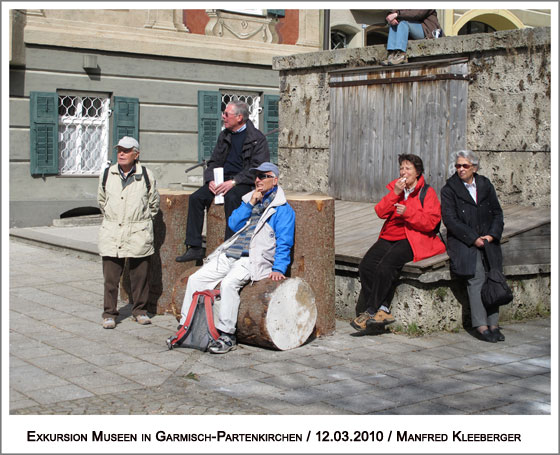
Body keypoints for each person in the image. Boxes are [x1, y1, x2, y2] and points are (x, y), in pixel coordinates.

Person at [177, 162, 295, 354]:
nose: (258, 180)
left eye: (263, 176)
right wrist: (250, 204)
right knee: (195, 279)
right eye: (256, 176)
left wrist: (279, 268)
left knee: (229, 284)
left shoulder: (282, 209)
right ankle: (185, 326)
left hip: (253, 258)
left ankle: (227, 334)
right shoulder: (249, 199)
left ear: (275, 179)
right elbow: (233, 223)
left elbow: (284, 242)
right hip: (231, 253)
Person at [351, 154, 446, 331]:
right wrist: (394, 193)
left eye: (408, 168)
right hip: (389, 236)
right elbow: (380, 212)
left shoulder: (427, 192)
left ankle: (371, 310)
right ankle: (383, 309)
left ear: (417, 172)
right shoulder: (397, 189)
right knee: (366, 266)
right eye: (401, 168)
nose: (403, 172)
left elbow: (431, 222)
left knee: (386, 266)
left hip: (413, 238)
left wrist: (408, 212)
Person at [176, 100, 270, 262]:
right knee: (196, 198)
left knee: (233, 198)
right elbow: (214, 162)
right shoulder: (224, 135)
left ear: (239, 117)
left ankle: (230, 247)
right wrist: (210, 180)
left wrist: (234, 182)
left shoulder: (257, 138)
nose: (223, 117)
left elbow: (257, 168)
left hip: (244, 182)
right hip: (222, 180)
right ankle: (195, 247)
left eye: (226, 114)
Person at [441, 150, 505, 343]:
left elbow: (497, 213)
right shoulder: (449, 189)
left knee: (493, 277)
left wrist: (492, 235)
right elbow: (450, 220)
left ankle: (494, 323)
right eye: (458, 166)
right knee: (476, 277)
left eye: (465, 166)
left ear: (474, 168)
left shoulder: (485, 184)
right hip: (464, 242)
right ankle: (481, 325)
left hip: (488, 239)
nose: (460, 169)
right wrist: (473, 238)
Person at [97, 136, 160, 329]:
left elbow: (154, 204)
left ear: (136, 154)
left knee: (140, 276)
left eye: (126, 150)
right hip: (112, 230)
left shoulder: (147, 175)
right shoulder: (108, 173)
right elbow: (101, 200)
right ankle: (109, 313)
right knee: (111, 278)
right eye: (119, 150)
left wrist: (140, 221)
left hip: (138, 231)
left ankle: (139, 311)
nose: (121, 154)